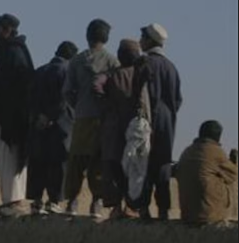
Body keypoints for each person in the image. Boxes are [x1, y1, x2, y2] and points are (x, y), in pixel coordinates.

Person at [63, 19, 121, 219]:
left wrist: (79, 105)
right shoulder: (112, 62)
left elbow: (67, 91)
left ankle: (72, 200)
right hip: (103, 120)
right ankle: (96, 201)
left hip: (82, 117)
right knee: (98, 162)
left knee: (76, 160)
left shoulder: (77, 61)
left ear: (87, 36)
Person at [0, 13, 35, 218]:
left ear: (6, 30)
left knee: (11, 161)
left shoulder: (14, 52)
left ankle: (15, 202)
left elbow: (21, 89)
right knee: (5, 161)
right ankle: (8, 201)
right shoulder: (7, 51)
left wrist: (13, 117)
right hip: (3, 117)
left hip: (11, 120)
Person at [97, 39, 150, 219]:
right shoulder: (140, 75)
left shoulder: (111, 75)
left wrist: (106, 104)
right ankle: (132, 206)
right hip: (135, 128)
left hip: (113, 128)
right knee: (134, 168)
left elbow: (96, 86)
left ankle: (116, 207)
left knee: (114, 168)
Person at [27, 41, 78, 216]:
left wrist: (38, 117)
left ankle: (36, 201)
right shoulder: (67, 71)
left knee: (38, 161)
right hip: (60, 125)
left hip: (38, 125)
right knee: (58, 163)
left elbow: (30, 97)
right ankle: (54, 201)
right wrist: (50, 116)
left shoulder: (40, 71)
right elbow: (64, 99)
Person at [138, 23, 182, 221]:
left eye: (143, 38)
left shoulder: (144, 63)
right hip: (167, 123)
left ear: (150, 41)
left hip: (147, 121)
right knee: (163, 166)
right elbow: (178, 100)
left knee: (144, 164)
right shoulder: (171, 67)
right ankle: (163, 210)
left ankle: (143, 209)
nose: (140, 41)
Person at [175, 121, 238, 225]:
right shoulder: (216, 151)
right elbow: (233, 175)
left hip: (187, 215)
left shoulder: (187, 150)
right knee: (224, 179)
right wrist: (234, 162)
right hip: (209, 216)